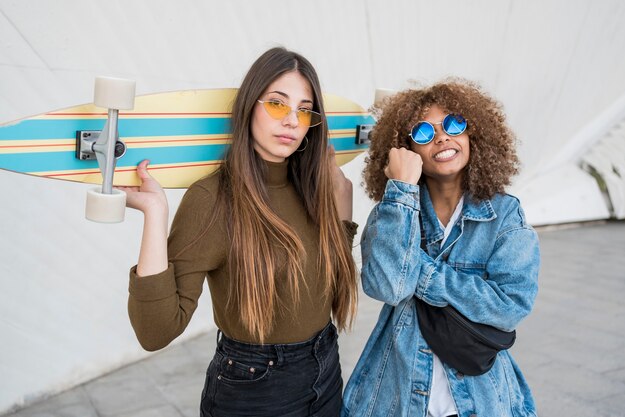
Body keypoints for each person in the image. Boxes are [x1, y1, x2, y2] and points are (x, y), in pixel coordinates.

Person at [120, 47, 358, 417]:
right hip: (255, 388)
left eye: (305, 109)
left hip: (326, 366)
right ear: (249, 106)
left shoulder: (314, 188)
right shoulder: (212, 200)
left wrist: (343, 212)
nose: (293, 120)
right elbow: (155, 332)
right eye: (278, 104)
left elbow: (330, 288)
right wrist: (155, 213)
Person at [342, 79, 540, 417]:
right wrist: (401, 188)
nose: (442, 137)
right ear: (406, 150)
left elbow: (511, 305)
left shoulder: (505, 214)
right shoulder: (393, 211)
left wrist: (420, 269)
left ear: (472, 134)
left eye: (453, 123)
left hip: (480, 399)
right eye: (423, 132)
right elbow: (390, 287)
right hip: (397, 395)